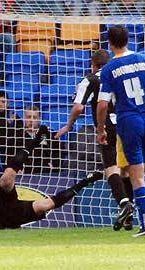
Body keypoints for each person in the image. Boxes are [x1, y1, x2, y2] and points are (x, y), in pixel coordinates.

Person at [55, 49, 134, 231]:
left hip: (108, 127)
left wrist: (68, 126)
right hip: (128, 124)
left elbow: (78, 108)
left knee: (111, 169)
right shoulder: (120, 75)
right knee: (127, 169)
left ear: (93, 64)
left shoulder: (90, 79)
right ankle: (130, 216)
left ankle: (124, 204)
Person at [97, 25, 145, 237]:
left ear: (110, 42)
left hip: (129, 119)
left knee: (136, 176)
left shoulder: (109, 68)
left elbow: (103, 104)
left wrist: (100, 130)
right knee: (143, 172)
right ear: (128, 39)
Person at [9, 105, 64, 174]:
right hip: (24, 173)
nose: (31, 120)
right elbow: (11, 155)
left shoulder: (49, 134)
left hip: (45, 172)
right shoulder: (16, 136)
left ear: (39, 118)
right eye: (28, 117)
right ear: (24, 118)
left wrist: (54, 165)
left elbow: (58, 153)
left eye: (34, 117)